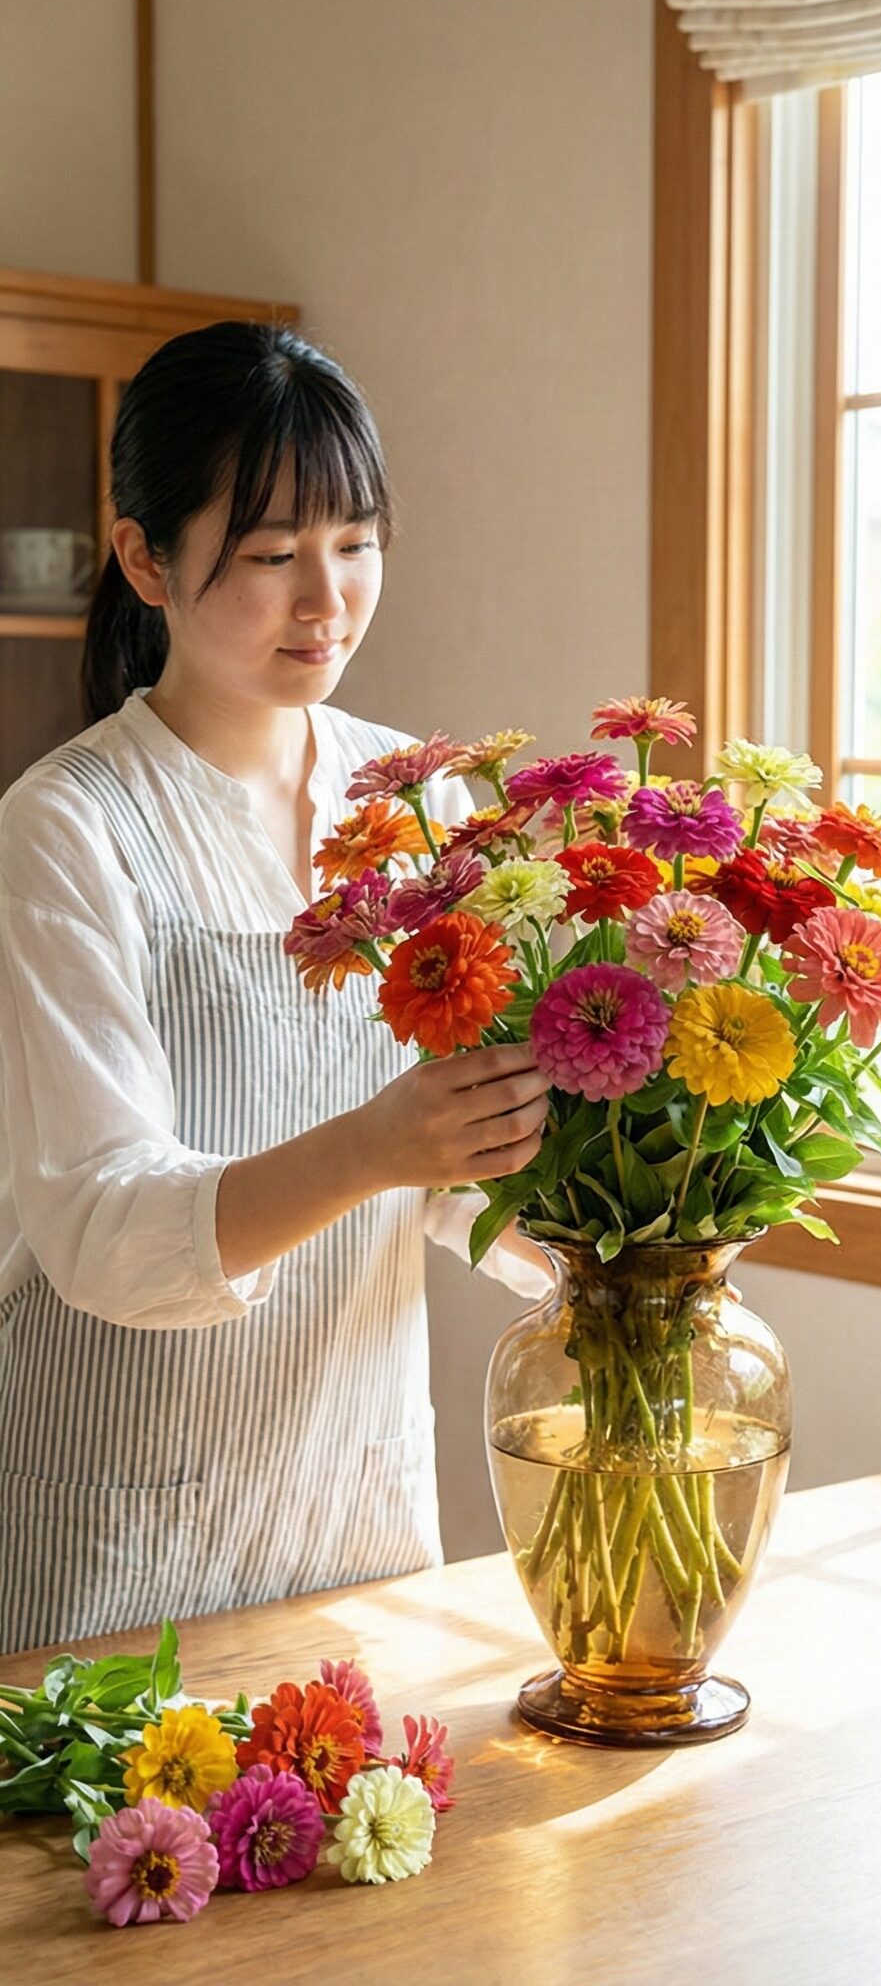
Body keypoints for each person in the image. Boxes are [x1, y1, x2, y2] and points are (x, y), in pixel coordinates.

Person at [0, 321, 555, 1656]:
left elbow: (462, 1172)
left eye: (356, 545)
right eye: (270, 556)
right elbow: (98, 1232)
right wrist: (378, 1145)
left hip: (354, 1505)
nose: (328, 603)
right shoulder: (67, 828)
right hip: (114, 1534)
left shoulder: (418, 798)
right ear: (145, 556)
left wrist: (626, 1223)